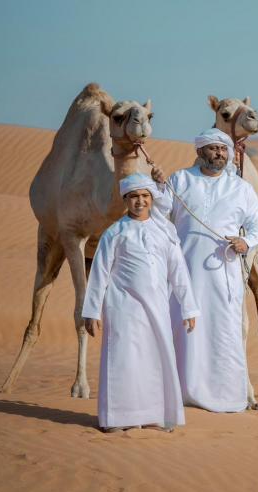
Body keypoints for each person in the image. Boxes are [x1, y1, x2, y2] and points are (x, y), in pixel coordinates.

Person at [150, 128, 258, 413]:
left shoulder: (241, 188)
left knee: (222, 330)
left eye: (224, 150)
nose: (220, 154)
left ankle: (224, 396)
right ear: (200, 152)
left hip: (223, 273)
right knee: (183, 327)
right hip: (184, 270)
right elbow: (160, 211)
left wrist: (246, 241)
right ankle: (181, 392)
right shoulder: (180, 179)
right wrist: (158, 187)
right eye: (213, 149)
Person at [81, 173, 200, 433]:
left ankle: (156, 416)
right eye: (134, 196)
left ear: (151, 198)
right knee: (122, 360)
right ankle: (117, 418)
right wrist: (92, 311)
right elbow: (99, 273)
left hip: (157, 308)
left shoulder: (163, 232)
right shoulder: (114, 232)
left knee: (155, 361)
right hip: (122, 307)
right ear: (125, 199)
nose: (140, 201)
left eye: (145, 196)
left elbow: (178, 273)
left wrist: (188, 307)